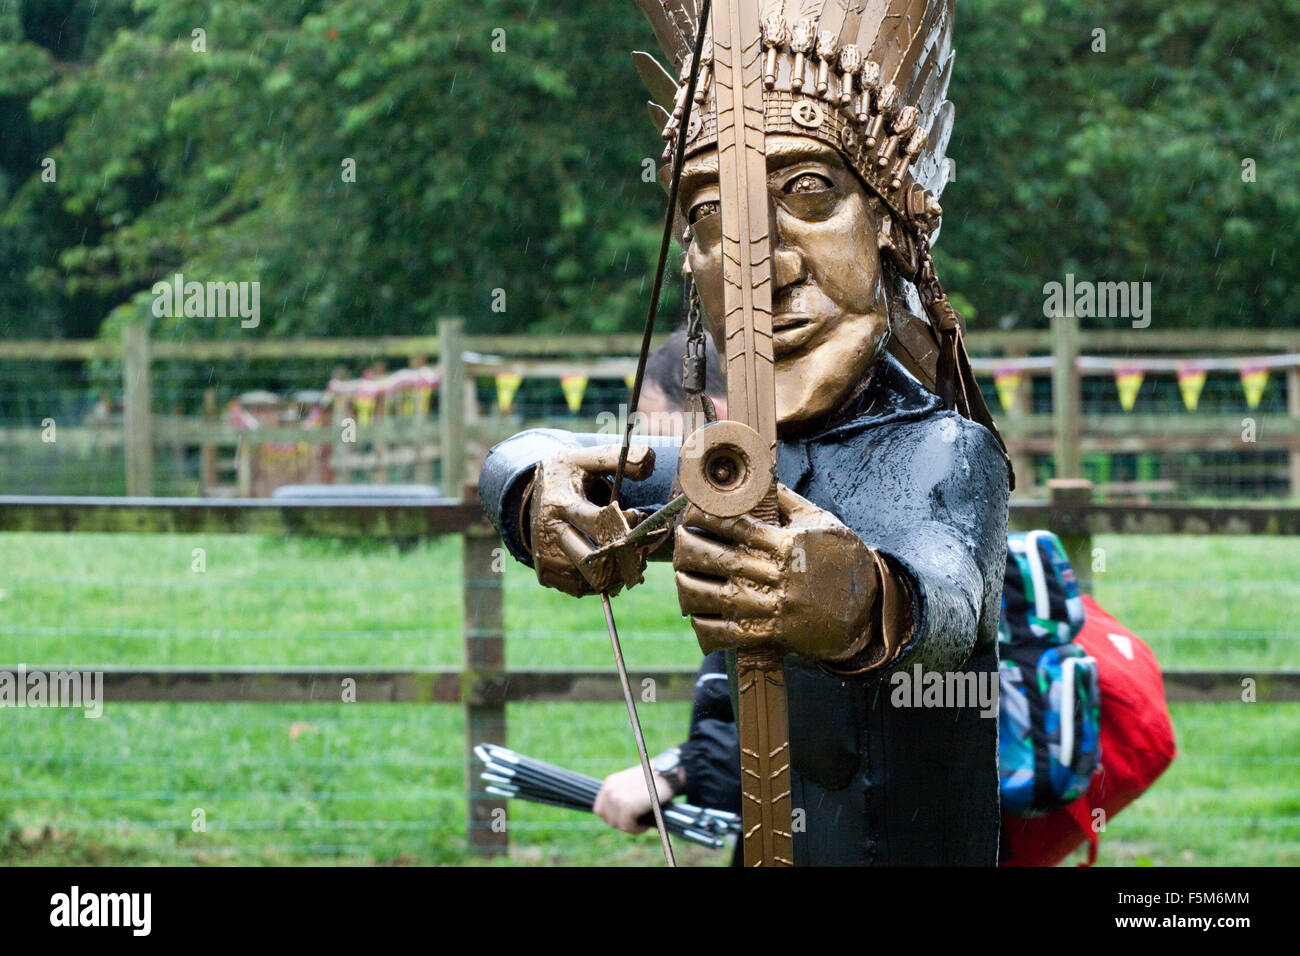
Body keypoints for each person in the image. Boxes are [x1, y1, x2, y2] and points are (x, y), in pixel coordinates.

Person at [479, 0, 1011, 865]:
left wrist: (857, 598)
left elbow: (949, 593)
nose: (766, 266)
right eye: (711, 218)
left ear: (886, 222)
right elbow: (543, 455)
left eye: (809, 194)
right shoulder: (733, 457)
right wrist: (536, 488)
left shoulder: (941, 450)